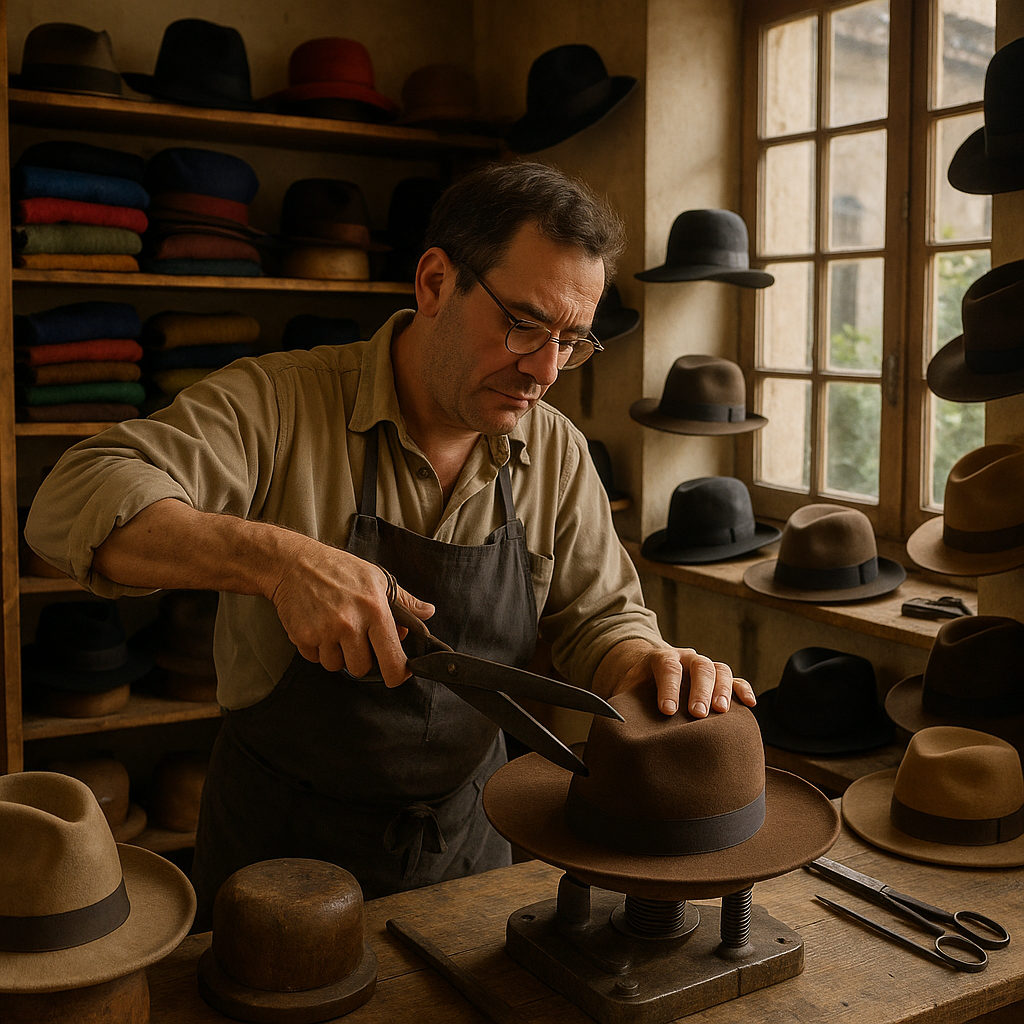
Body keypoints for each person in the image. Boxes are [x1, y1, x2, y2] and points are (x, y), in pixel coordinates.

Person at [25, 160, 755, 927]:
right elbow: (72, 496)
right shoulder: (279, 404)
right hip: (279, 864)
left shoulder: (558, 452)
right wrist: (277, 561)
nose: (545, 370)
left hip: (470, 850)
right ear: (436, 283)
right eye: (525, 324)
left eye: (571, 343)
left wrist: (651, 667)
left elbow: (598, 618)